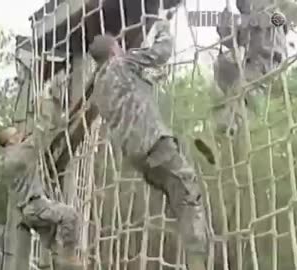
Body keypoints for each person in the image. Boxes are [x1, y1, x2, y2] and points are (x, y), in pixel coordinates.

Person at [88, 13, 209, 253]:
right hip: (153, 141)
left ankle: (191, 241)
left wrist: (150, 80)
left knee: (177, 194)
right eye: (119, 47)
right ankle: (197, 250)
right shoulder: (121, 63)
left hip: (137, 157)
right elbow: (161, 53)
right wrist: (163, 27)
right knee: (187, 186)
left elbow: (131, 93)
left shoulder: (99, 89)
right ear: (113, 50)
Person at [0, 126, 82, 267]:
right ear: (11, 140)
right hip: (36, 207)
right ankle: (69, 254)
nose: (21, 133)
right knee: (70, 215)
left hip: (27, 214)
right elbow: (42, 132)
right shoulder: (22, 153)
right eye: (17, 133)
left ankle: (62, 261)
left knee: (54, 246)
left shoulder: (2, 161)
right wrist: (48, 109)